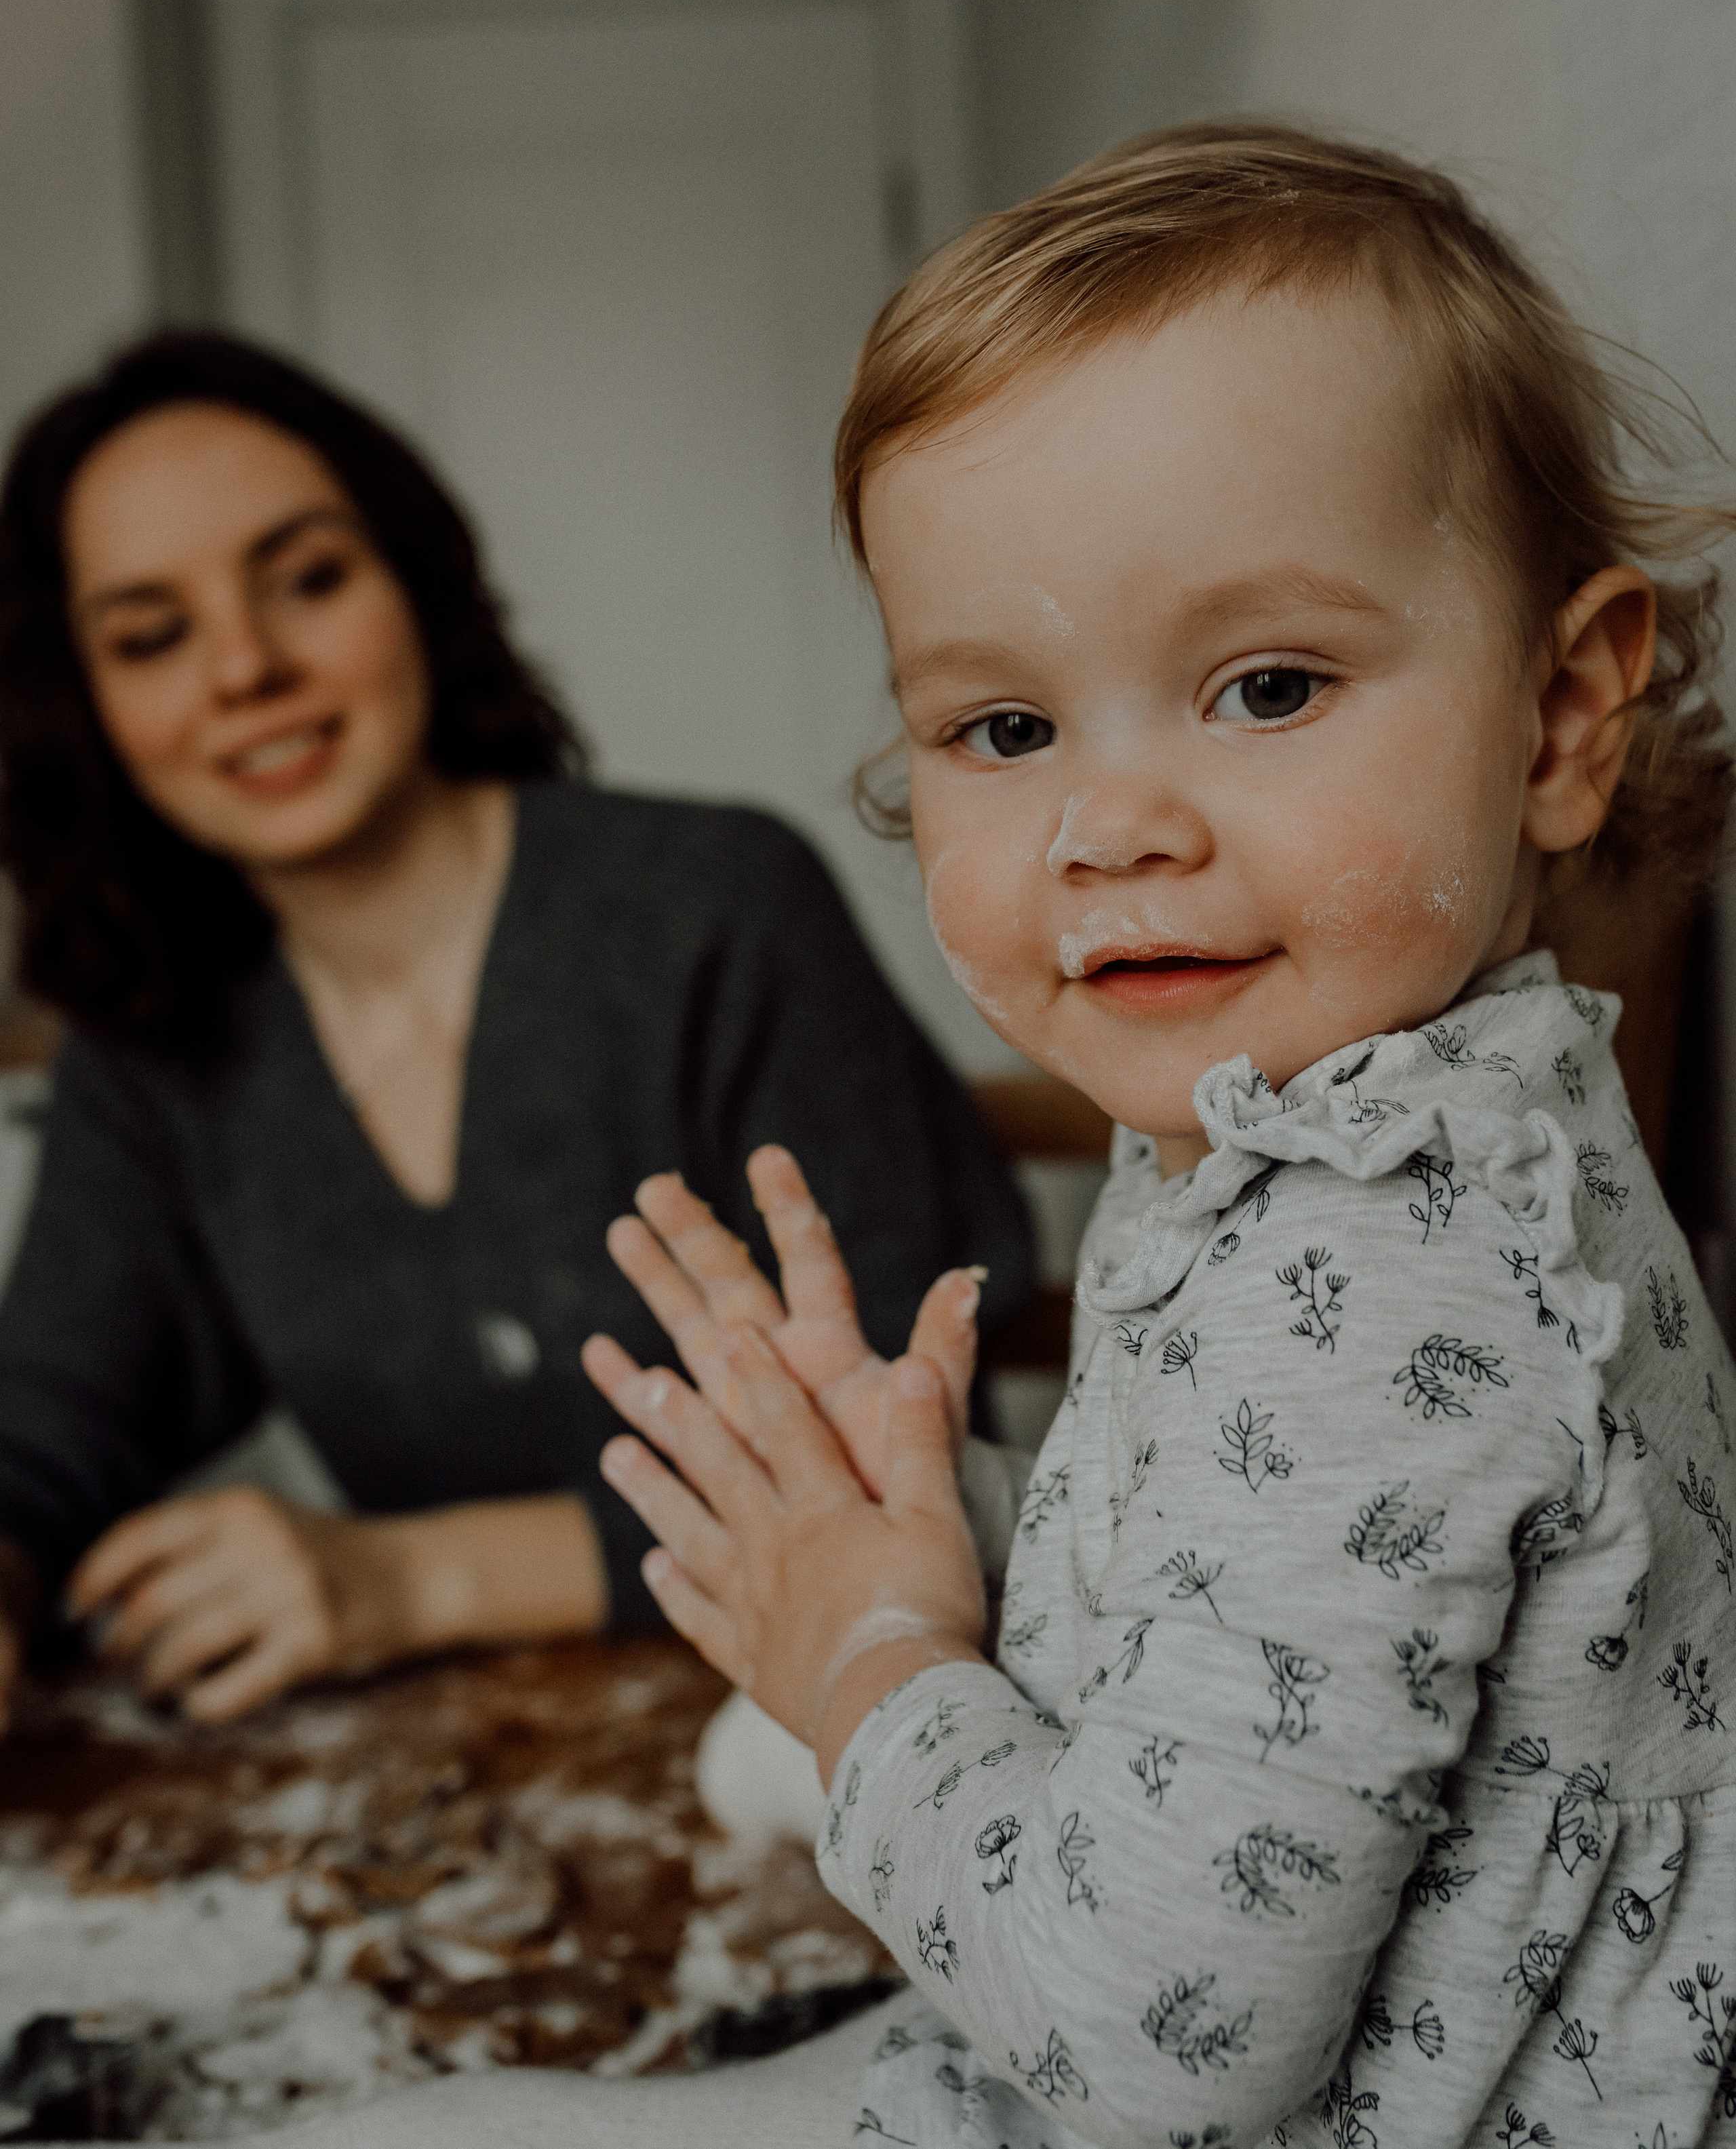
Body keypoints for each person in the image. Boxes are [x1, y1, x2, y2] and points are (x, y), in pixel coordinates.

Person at [266, 122, 1736, 2148]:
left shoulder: (1396, 1286)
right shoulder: (1343, 1118)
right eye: (1006, 728)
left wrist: (873, 1657)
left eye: (1269, 682)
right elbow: (1279, 1589)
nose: (1107, 822)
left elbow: (1155, 2057)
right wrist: (952, 1522)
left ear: (1564, 716)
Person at [0, 331, 1033, 1733]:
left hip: (844, 1738)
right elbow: (45, 1423)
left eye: (308, 578)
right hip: (469, 1776)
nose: (244, 667)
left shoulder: (714, 907)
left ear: (416, 586)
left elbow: (914, 1443)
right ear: (86, 706)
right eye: (150, 635)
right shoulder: (152, 1033)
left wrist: (408, 1582)